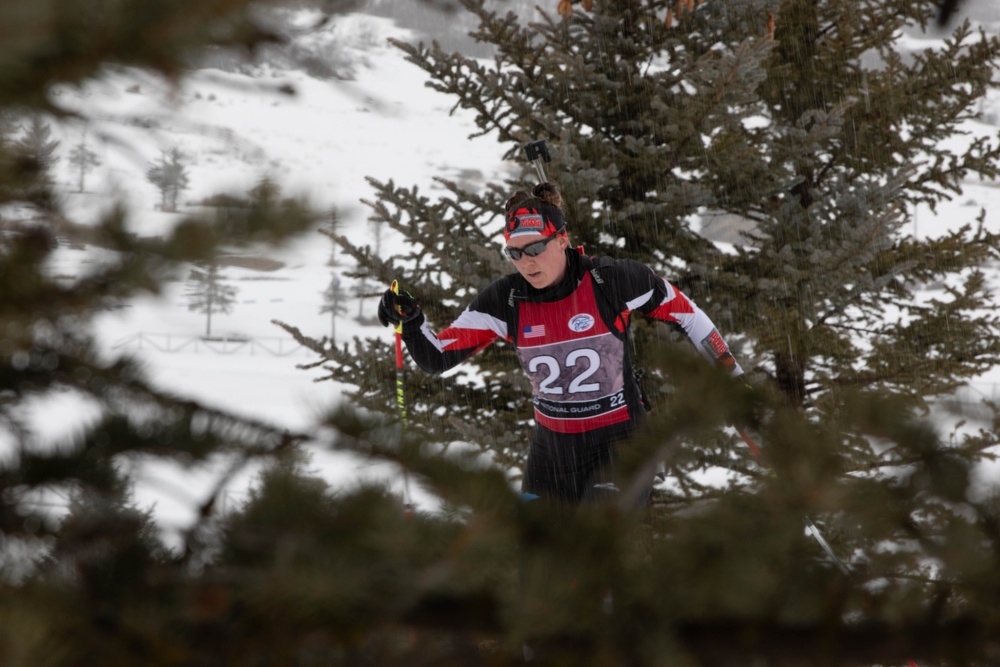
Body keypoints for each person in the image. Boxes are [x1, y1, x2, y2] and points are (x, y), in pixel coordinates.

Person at [377, 182, 743, 510]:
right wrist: (410, 321)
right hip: (551, 452)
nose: (526, 262)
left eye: (535, 248)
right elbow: (436, 356)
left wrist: (731, 375)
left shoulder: (611, 280)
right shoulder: (506, 300)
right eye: (514, 253)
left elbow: (689, 315)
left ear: (562, 240)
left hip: (620, 444)